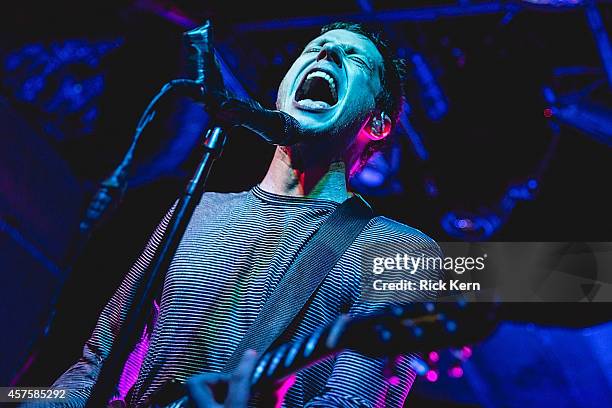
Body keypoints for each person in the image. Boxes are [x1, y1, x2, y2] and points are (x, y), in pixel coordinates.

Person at [49, 22, 441, 407]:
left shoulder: (398, 249)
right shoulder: (198, 208)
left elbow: (353, 401)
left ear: (377, 123)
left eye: (355, 58)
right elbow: (98, 363)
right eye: (314, 48)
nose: (329, 53)